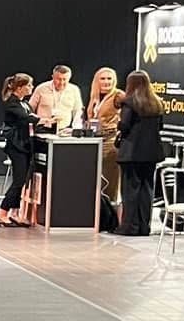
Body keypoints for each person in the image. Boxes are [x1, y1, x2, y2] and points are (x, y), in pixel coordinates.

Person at [115, 70, 166, 235]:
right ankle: (144, 226)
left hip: (132, 153)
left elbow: (124, 126)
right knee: (147, 189)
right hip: (151, 153)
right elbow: (160, 127)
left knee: (130, 190)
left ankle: (129, 226)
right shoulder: (157, 103)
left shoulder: (129, 103)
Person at [0, 74, 34, 228]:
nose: (31, 88)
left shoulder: (24, 103)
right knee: (18, 181)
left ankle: (15, 213)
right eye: (29, 85)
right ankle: (2, 214)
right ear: (19, 88)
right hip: (16, 146)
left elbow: (30, 116)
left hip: (25, 145)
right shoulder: (12, 103)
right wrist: (43, 120)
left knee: (22, 181)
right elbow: (26, 118)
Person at [88, 67, 123, 210]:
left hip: (110, 142)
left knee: (110, 180)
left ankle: (111, 212)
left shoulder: (118, 95)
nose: (106, 81)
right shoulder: (95, 96)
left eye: (109, 78)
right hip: (95, 141)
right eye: (103, 78)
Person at [28, 64, 83, 132]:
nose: (61, 82)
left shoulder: (74, 90)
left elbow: (78, 111)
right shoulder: (41, 88)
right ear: (53, 77)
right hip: (42, 129)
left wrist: (75, 129)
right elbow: (30, 109)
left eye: (65, 79)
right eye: (59, 79)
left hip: (64, 130)